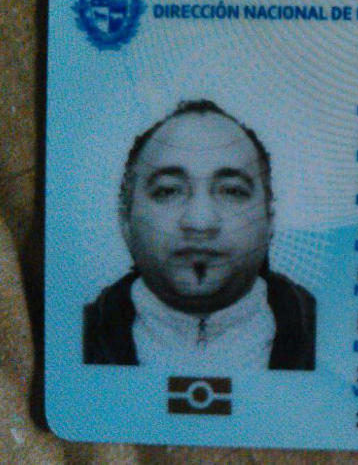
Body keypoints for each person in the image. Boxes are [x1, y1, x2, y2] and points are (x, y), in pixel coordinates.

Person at [83, 100, 315, 370]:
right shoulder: (69, 339)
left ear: (270, 218)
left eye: (232, 191)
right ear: (125, 218)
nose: (200, 222)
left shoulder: (331, 335)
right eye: (168, 191)